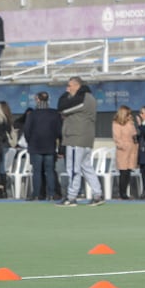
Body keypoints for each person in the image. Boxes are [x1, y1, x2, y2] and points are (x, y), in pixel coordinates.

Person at [57, 77, 104, 206]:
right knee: (86, 168)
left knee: (73, 168)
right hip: (85, 139)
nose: (68, 88)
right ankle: (97, 194)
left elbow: (62, 107)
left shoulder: (83, 98)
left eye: (69, 85)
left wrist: (66, 95)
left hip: (75, 138)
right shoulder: (89, 98)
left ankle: (71, 197)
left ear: (77, 86)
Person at [24, 91, 62, 201]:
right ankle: (51, 193)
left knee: (37, 171)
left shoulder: (32, 115)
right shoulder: (55, 114)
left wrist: (30, 142)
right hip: (50, 146)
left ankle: (36, 194)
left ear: (37, 99)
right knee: (50, 171)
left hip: (35, 146)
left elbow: (27, 131)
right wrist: (59, 146)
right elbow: (59, 131)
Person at [112, 105, 138, 200]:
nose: (130, 116)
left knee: (128, 172)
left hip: (132, 150)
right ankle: (122, 193)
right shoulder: (116, 124)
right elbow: (117, 138)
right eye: (128, 114)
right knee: (123, 172)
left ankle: (125, 193)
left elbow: (134, 134)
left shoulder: (130, 123)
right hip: (123, 151)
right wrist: (123, 146)